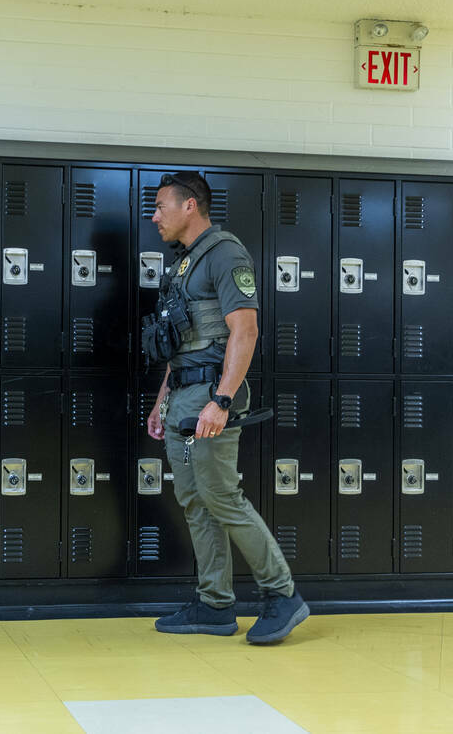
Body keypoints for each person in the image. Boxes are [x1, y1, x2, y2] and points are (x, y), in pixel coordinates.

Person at [144, 171, 309, 644]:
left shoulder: (225, 254)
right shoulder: (184, 264)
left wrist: (221, 400)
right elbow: (184, 344)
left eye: (161, 206)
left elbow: (246, 330)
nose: (155, 216)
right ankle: (215, 604)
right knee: (196, 502)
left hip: (211, 397)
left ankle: (283, 595)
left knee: (221, 497)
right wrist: (161, 403)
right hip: (183, 395)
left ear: (189, 206)